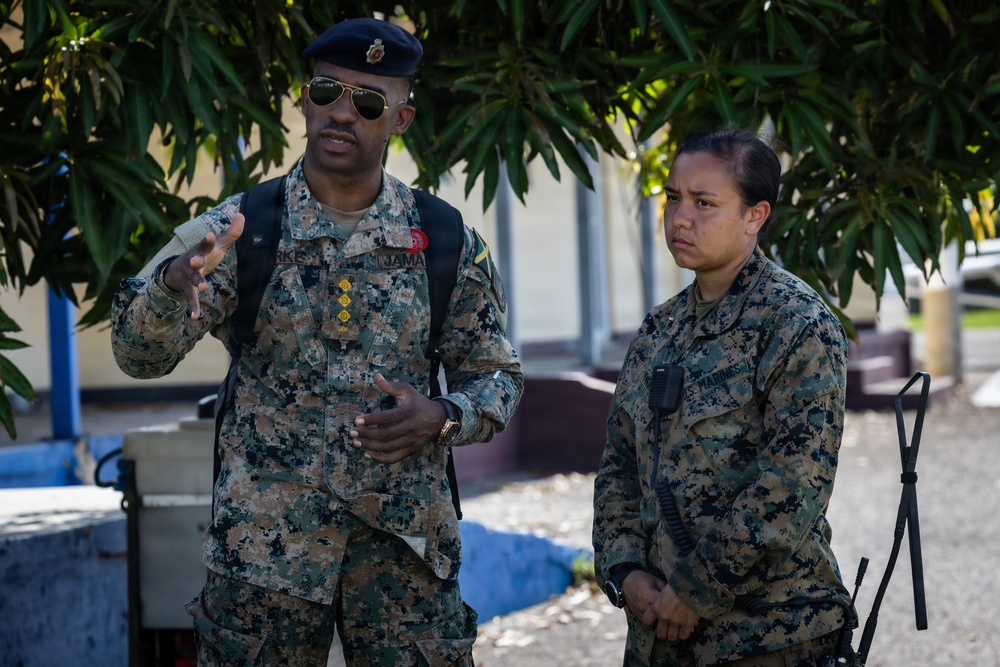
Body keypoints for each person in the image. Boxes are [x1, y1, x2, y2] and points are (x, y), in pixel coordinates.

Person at [111, 17, 522, 666]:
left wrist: (444, 415)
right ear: (304, 99)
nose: (340, 113)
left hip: (403, 558)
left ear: (401, 120)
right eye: (326, 91)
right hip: (265, 563)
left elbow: (499, 377)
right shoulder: (241, 229)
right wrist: (168, 284)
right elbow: (136, 355)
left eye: (366, 102)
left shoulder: (445, 239)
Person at [592, 127, 853, 667]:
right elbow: (619, 466)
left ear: (754, 216)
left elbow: (791, 489)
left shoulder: (796, 325)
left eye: (704, 203)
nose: (680, 218)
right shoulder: (658, 331)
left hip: (767, 635)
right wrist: (624, 571)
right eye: (673, 198)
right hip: (657, 633)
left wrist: (696, 589)